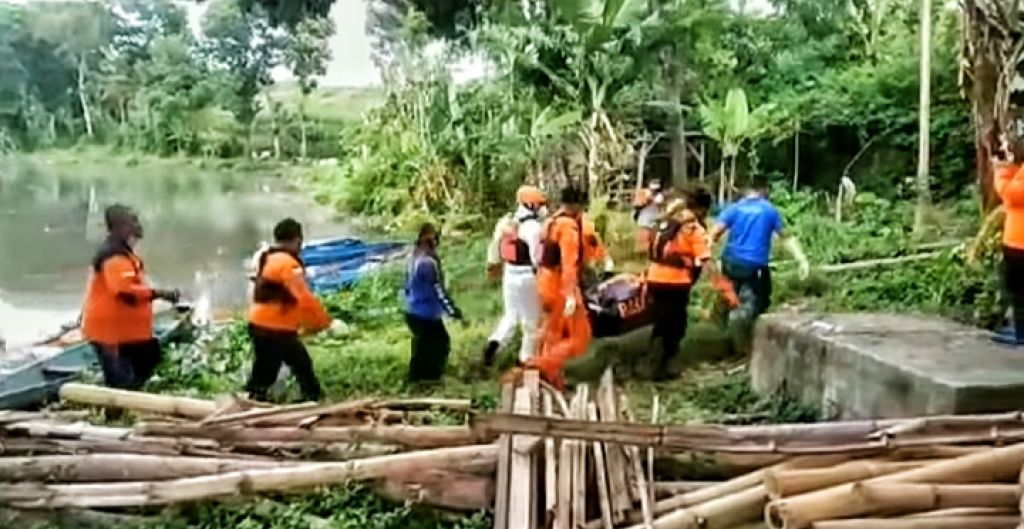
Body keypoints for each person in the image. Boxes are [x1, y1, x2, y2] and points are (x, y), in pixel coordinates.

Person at [82, 204, 179, 389]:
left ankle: (128, 403)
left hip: (129, 333)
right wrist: (159, 294)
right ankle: (116, 413)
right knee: (121, 384)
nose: (137, 225)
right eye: (132, 221)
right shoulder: (114, 256)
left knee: (149, 358)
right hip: (111, 335)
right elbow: (124, 291)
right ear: (119, 227)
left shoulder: (124, 253)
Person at [709, 183, 809, 349]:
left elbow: (714, 233)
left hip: (730, 262)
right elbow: (785, 237)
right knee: (756, 302)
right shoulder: (769, 210)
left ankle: (722, 335)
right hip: (754, 265)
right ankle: (743, 343)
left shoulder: (734, 209)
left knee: (729, 295)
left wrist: (710, 257)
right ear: (763, 193)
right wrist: (801, 259)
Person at [246, 218, 331, 402]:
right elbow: (303, 297)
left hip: (258, 323)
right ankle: (313, 399)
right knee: (301, 364)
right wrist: (321, 322)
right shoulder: (287, 264)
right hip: (275, 327)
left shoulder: (267, 256)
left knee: (266, 367)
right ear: (297, 239)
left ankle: (253, 396)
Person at [527, 186, 592, 388]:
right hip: (559, 285)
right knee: (580, 336)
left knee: (553, 332)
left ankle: (552, 376)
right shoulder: (568, 228)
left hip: (544, 281)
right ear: (576, 206)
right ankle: (540, 366)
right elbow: (568, 263)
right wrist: (571, 294)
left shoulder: (552, 221)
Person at [645, 199, 713, 380]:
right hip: (677, 282)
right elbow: (703, 258)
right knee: (676, 325)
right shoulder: (692, 228)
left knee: (660, 322)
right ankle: (667, 366)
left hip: (654, 278)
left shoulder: (659, 225)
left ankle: (652, 362)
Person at [482, 186, 547, 366]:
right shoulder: (532, 227)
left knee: (510, 316)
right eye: (541, 204)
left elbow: (494, 248)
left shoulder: (506, 222)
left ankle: (494, 343)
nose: (543, 208)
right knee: (531, 322)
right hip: (527, 276)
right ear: (531, 205)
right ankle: (526, 359)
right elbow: (536, 258)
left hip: (509, 273)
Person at [404, 223, 463, 383]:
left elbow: (407, 286)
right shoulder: (428, 263)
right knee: (441, 344)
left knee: (421, 347)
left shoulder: (414, 256)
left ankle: (416, 377)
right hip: (426, 314)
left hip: (412, 310)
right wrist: (452, 310)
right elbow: (438, 290)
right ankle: (432, 377)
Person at [993, 144, 1024, 345]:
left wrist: (1000, 172)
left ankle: (1021, 332)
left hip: (1020, 243)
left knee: (1019, 289)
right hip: (1017, 240)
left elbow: (1013, 195)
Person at [633, 179, 666, 253]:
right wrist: (645, 200)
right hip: (644, 219)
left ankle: (652, 253)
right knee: (643, 239)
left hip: (655, 219)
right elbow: (637, 205)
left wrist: (651, 198)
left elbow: (660, 203)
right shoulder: (643, 193)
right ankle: (642, 255)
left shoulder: (660, 195)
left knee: (653, 239)